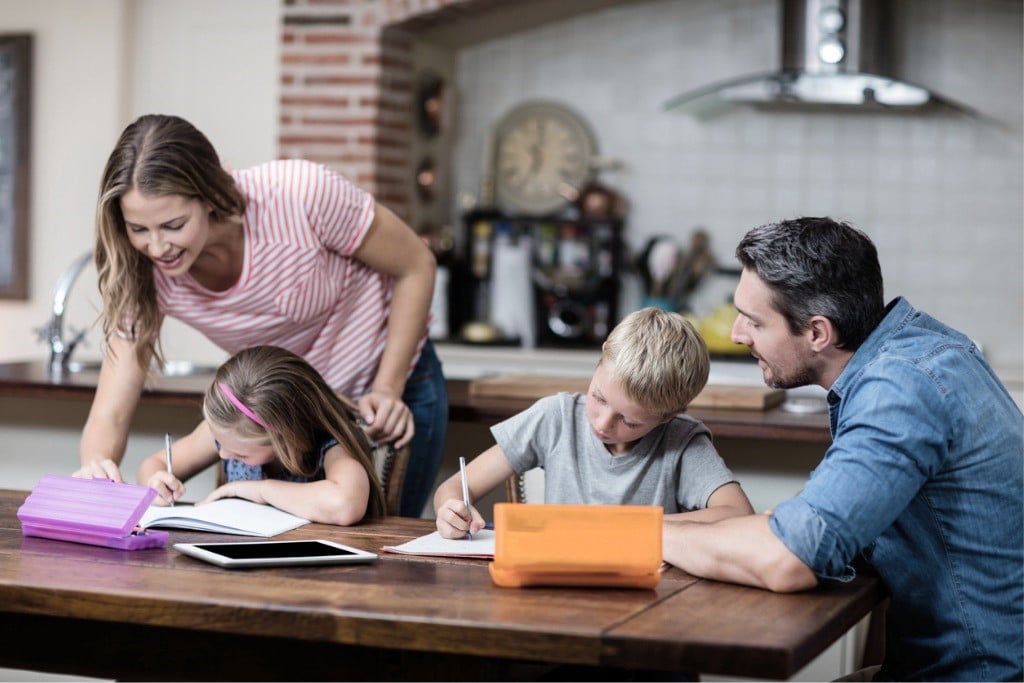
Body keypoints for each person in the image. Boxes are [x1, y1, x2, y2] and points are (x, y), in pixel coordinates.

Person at [663, 217, 1023, 682]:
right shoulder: (924, 349)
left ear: (817, 333)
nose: (736, 334)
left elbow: (788, 559)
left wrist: (640, 535)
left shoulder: (900, 390)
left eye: (754, 320)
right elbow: (813, 527)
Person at [74, 114, 447, 517]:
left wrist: (387, 388)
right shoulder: (143, 268)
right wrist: (96, 468)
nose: (157, 247)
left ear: (210, 195)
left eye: (173, 224)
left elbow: (416, 265)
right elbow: (111, 409)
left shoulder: (301, 195)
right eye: (138, 229)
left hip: (385, 391)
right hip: (277, 419)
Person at [434, 307, 754, 539]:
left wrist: (629, 526)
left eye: (629, 421)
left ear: (670, 415)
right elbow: (454, 487)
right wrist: (450, 509)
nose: (602, 423)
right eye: (598, 397)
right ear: (601, 358)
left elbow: (737, 514)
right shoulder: (555, 417)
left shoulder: (681, 441)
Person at [139, 345, 386, 524]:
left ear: (287, 439)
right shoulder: (227, 432)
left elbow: (345, 505)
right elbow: (154, 463)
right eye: (220, 444)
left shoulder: (330, 446)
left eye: (239, 453)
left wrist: (259, 490)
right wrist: (156, 482)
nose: (223, 453)